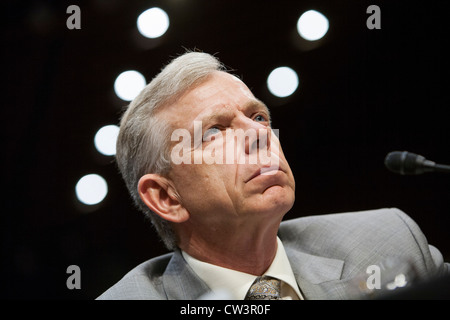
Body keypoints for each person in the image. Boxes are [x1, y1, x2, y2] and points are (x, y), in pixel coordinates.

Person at [97, 51, 448, 300]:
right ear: (166, 197)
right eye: (215, 131)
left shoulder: (386, 241)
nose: (260, 134)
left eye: (259, 117)